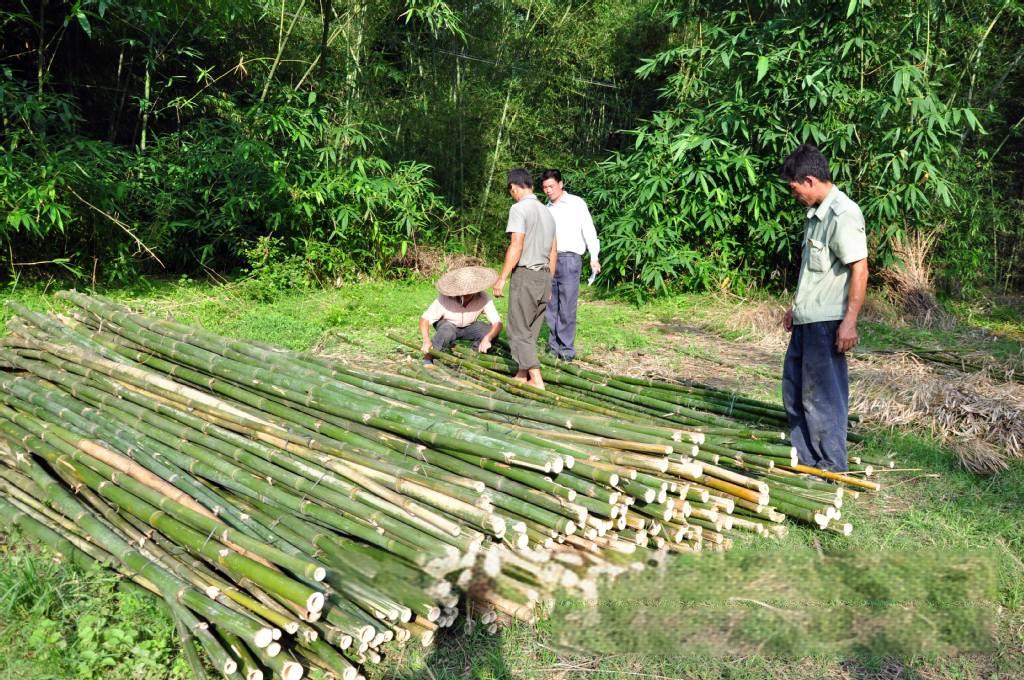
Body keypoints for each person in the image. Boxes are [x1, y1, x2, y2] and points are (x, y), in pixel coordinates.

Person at [779, 144, 868, 473]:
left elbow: (860, 268)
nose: (794, 195)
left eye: (794, 188)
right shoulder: (814, 214)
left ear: (810, 180)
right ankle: (806, 462)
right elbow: (813, 271)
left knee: (823, 399)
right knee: (794, 392)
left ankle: (832, 467)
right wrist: (794, 308)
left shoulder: (843, 214)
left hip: (827, 323)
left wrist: (850, 322)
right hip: (807, 319)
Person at [493, 168, 558, 389]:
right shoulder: (547, 212)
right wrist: (549, 281)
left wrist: (502, 278)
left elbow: (516, 244)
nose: (511, 194)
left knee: (517, 329)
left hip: (526, 275)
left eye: (510, 191)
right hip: (544, 277)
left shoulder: (519, 209)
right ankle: (522, 374)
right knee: (531, 329)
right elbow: (553, 252)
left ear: (514, 187)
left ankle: (537, 380)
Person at [540, 169, 600, 361]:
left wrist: (594, 256)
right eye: (545, 188)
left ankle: (566, 350)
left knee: (566, 305)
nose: (548, 190)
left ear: (561, 184)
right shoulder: (546, 208)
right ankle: (553, 346)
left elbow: (589, 230)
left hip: (570, 259)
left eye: (551, 186)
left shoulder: (576, 203)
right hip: (549, 260)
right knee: (550, 304)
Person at [420, 266, 503, 363]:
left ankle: (474, 355)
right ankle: (429, 357)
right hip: (448, 324)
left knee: (490, 332)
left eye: (469, 293)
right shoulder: (445, 298)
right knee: (446, 331)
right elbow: (424, 319)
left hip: (470, 326)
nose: (464, 295)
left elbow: (497, 323)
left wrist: (487, 338)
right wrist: (426, 340)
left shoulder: (483, 297)